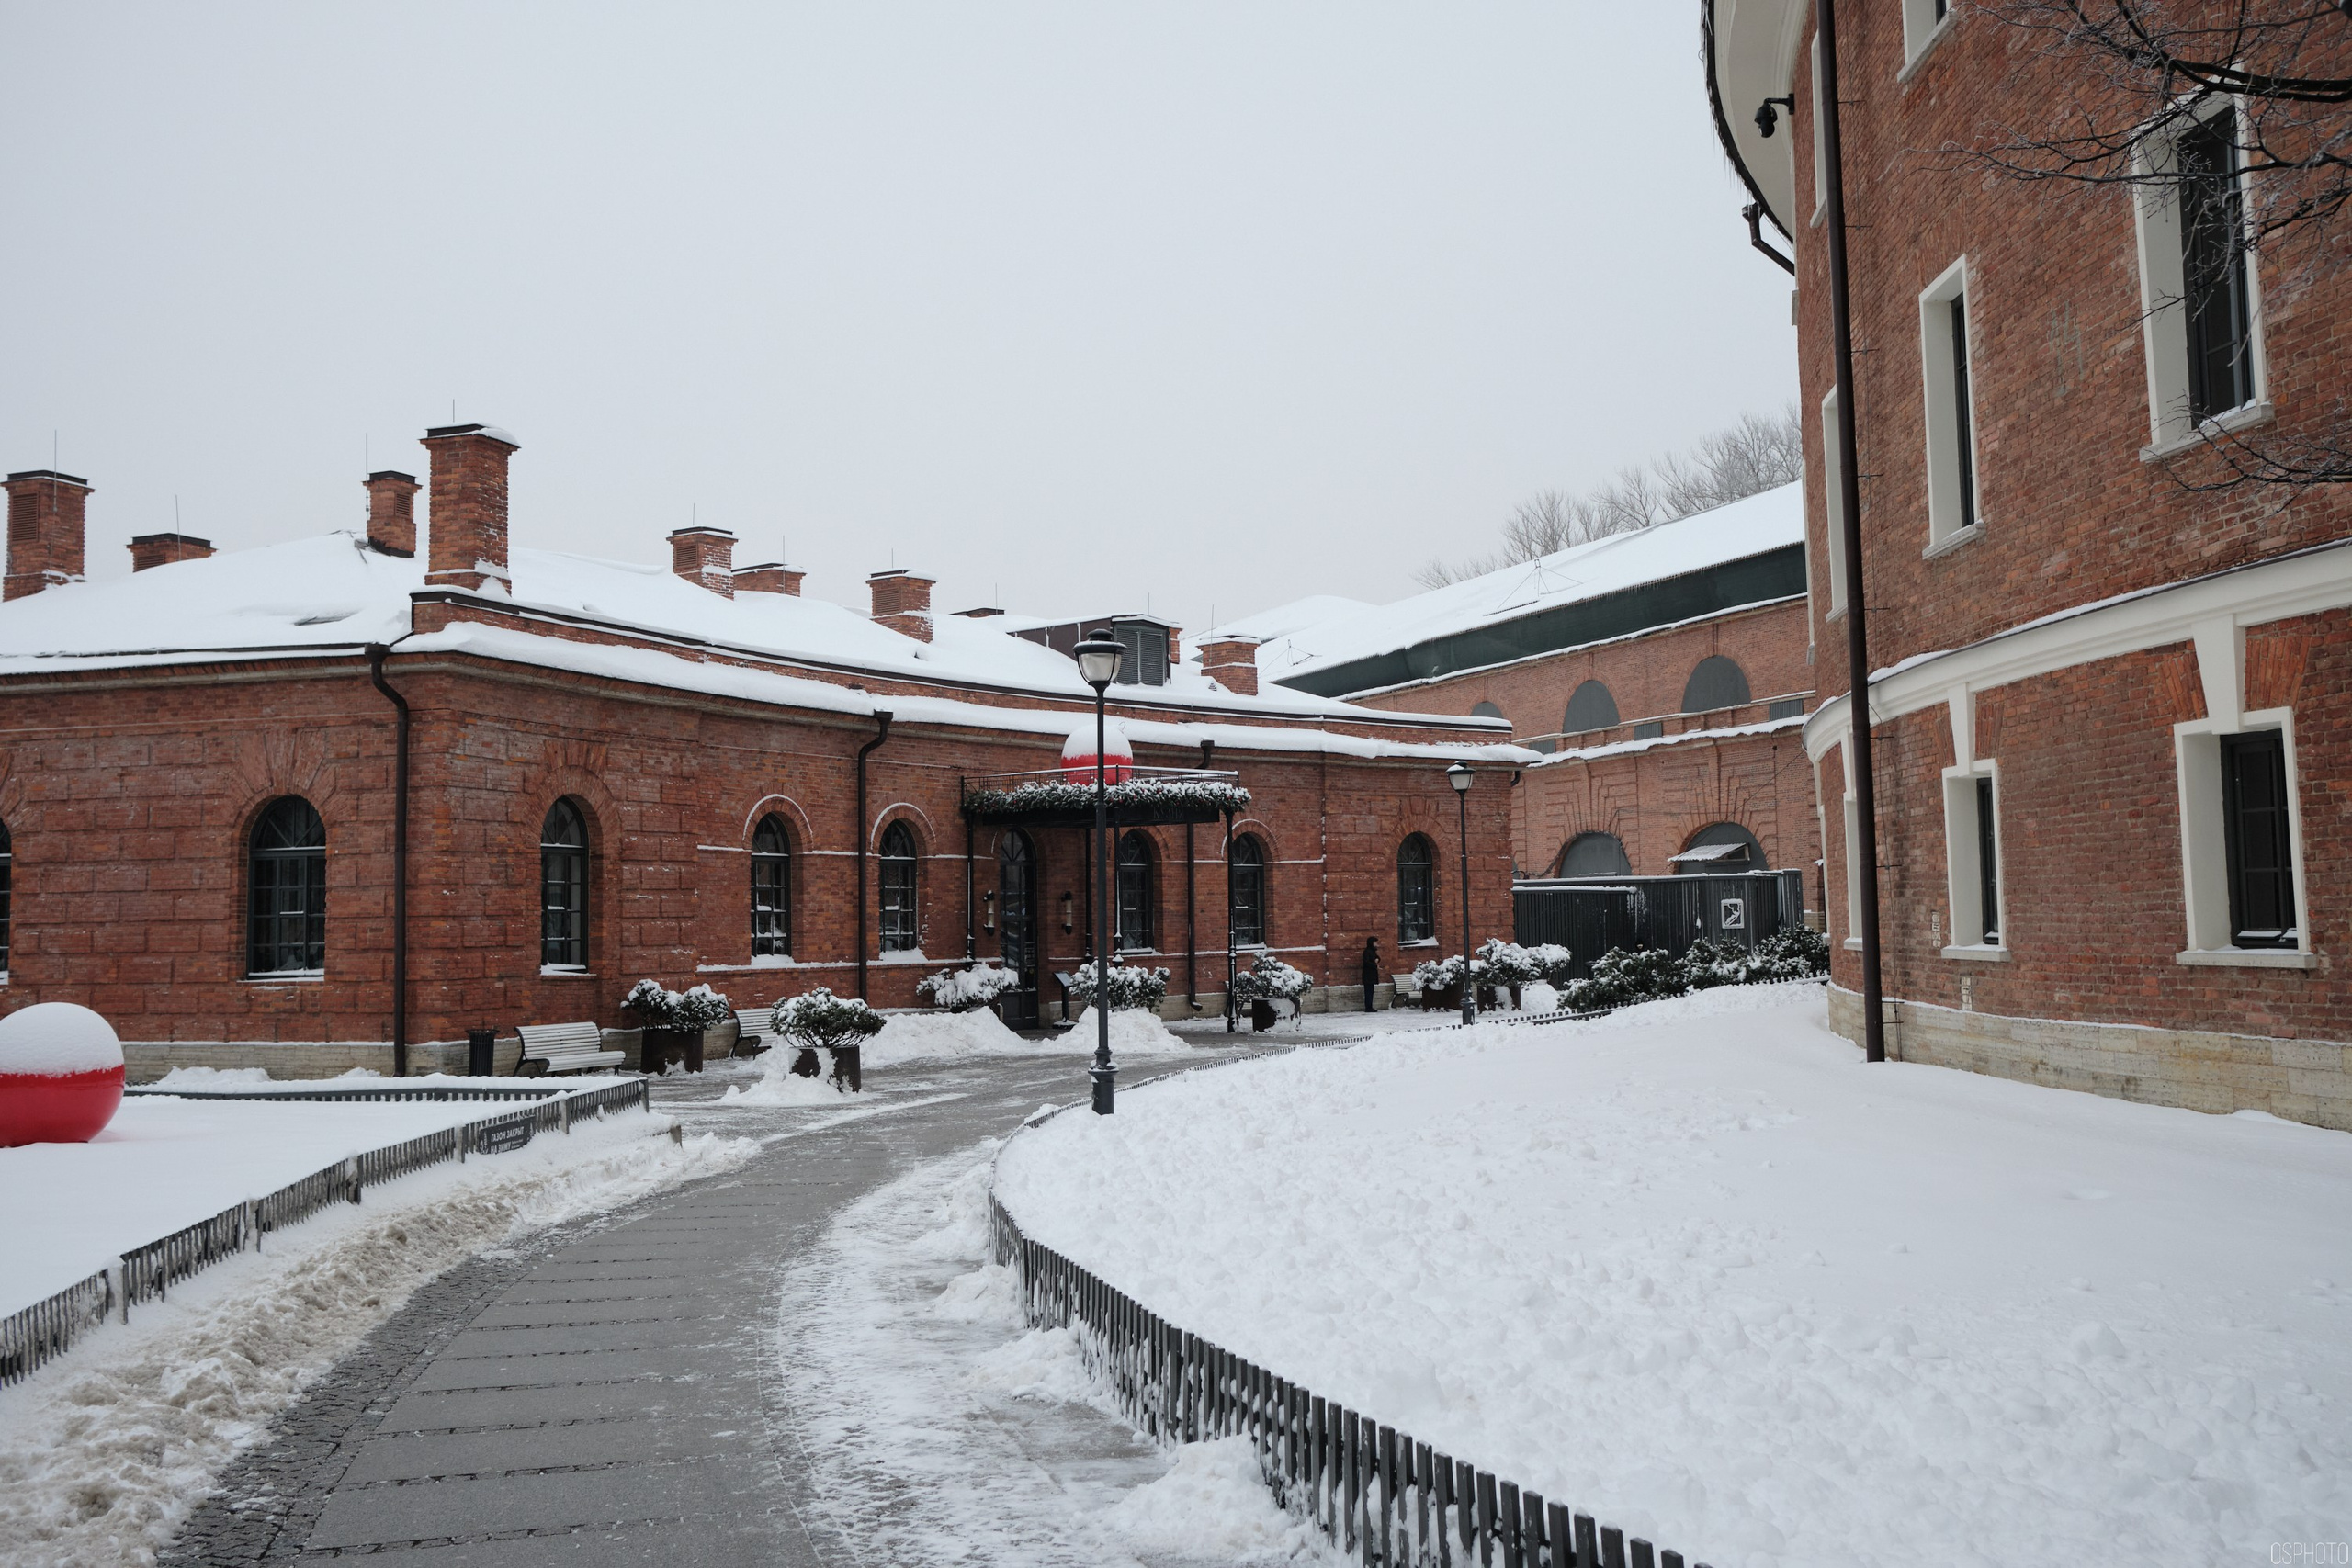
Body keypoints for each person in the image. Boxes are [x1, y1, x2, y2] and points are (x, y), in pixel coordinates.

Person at [1360, 937, 1381, 1012]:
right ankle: (1368, 1007)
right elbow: (1366, 962)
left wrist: (1377, 959)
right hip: (1368, 974)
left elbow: (1377, 958)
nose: (1376, 944)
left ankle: (1370, 1006)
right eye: (1375, 942)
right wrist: (1375, 965)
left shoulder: (1372, 951)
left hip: (1371, 974)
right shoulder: (1367, 952)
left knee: (1371, 991)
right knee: (1368, 991)